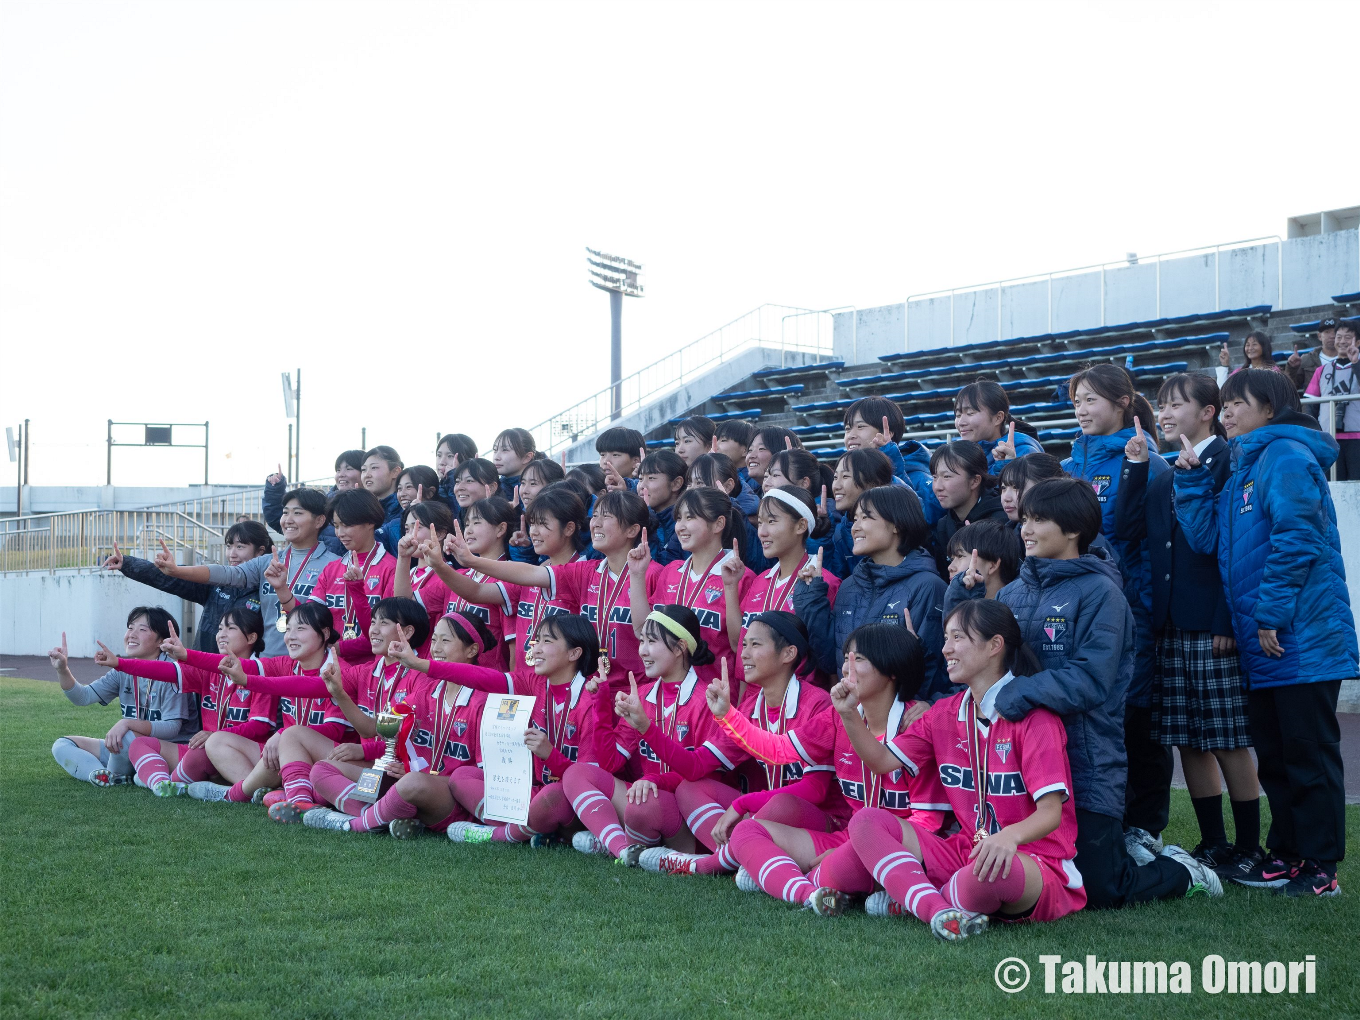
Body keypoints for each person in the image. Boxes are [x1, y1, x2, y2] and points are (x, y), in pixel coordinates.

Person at [947, 477, 1222, 907]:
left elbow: (1092, 680)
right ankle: (1121, 848)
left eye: (1040, 520)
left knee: (1100, 889)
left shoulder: (1103, 594)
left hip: (1087, 757)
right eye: (1026, 519)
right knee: (1026, 864)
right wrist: (958, 596)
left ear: (1074, 529)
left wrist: (1017, 695)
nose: (1026, 529)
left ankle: (1182, 870)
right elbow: (974, 654)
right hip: (1025, 759)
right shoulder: (1015, 592)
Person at [1174, 368, 1356, 897]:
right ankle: (1289, 855)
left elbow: (1298, 539)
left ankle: (1321, 869)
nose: (1226, 413)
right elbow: (1209, 540)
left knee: (1310, 755)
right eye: (1224, 404)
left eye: (1237, 404)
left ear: (1270, 410)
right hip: (1269, 644)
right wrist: (1188, 481)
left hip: (1302, 638)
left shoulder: (1286, 458)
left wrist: (1271, 614)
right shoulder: (1240, 469)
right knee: (1276, 756)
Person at [842, 600, 1085, 937]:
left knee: (988, 876)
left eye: (957, 637)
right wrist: (847, 713)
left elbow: (1051, 814)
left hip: (1030, 860)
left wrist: (1009, 838)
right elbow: (882, 761)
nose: (945, 649)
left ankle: (912, 895)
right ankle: (937, 908)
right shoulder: (943, 712)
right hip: (966, 849)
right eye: (945, 638)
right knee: (866, 821)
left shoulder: (1035, 718)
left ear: (994, 646)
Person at [1117, 373, 1261, 877]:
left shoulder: (1232, 462)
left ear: (1209, 411)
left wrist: (1227, 618)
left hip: (1213, 624)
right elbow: (1127, 529)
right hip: (1169, 624)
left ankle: (1248, 845)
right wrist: (1136, 467)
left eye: (1177, 404)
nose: (1166, 412)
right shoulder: (1158, 471)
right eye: (1161, 404)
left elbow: (1234, 548)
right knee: (1188, 739)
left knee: (1226, 736)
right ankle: (1213, 842)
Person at [707, 623, 940, 916]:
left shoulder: (920, 723)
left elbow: (928, 822)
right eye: (845, 658)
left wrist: (866, 848)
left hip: (899, 847)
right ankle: (811, 893)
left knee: (843, 862)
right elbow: (778, 750)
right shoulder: (837, 715)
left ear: (892, 670)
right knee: (747, 831)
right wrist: (727, 715)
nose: (846, 668)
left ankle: (783, 877)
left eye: (859, 659)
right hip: (848, 839)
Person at [639, 612, 839, 876]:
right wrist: (646, 729)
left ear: (788, 654)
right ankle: (746, 859)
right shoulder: (747, 707)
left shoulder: (818, 703)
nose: (743, 654)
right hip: (762, 816)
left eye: (755, 645)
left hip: (818, 821)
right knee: (691, 788)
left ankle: (706, 863)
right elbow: (697, 766)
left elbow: (815, 791)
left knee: (783, 803)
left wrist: (744, 804)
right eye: (744, 644)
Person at [560, 605, 747, 864]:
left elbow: (704, 776)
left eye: (651, 641)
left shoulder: (708, 699)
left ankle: (669, 851)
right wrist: (601, 702)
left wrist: (654, 780)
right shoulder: (643, 695)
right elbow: (610, 762)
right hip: (647, 797)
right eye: (641, 641)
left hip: (683, 808)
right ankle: (622, 847)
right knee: (576, 773)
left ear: (681, 647)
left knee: (643, 806)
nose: (642, 651)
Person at [1063, 364, 1163, 843]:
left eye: (1091, 400)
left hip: (1128, 602)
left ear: (1123, 402)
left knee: (1134, 713)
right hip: (1074, 602)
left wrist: (1139, 467)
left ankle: (1145, 826)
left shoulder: (1142, 457)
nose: (1081, 409)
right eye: (1076, 401)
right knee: (1093, 711)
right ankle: (1103, 817)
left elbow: (1133, 531)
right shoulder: (1071, 463)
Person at [220, 597, 431, 823]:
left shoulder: (422, 678)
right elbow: (307, 686)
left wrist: (363, 750)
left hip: (398, 771)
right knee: (311, 764)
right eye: (372, 622)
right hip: (369, 766)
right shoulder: (366, 671)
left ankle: (372, 816)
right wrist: (247, 680)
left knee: (314, 765)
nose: (373, 630)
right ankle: (302, 799)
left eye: (384, 623)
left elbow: (384, 735)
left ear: (407, 632)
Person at [399, 614, 605, 846]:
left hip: (570, 801)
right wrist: (420, 664)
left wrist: (551, 755)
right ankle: (538, 830)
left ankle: (501, 834)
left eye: (547, 641)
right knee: (462, 778)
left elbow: (588, 781)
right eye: (536, 640)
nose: (535, 648)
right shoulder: (532, 683)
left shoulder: (592, 699)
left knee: (553, 796)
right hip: (535, 795)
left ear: (574, 653)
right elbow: (479, 677)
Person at [299, 610, 498, 838]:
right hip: (406, 784)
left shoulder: (484, 700)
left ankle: (355, 824)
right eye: (434, 639)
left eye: (446, 640)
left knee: (412, 783)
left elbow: (481, 777)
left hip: (448, 798)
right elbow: (374, 728)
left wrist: (422, 775)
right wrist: (339, 693)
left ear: (471, 650)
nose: (436, 648)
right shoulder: (426, 692)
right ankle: (380, 815)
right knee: (323, 769)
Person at [437, 489, 654, 689]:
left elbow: (647, 634)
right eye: (594, 516)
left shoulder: (653, 574)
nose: (595, 523)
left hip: (631, 689)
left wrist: (471, 561)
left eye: (605, 517)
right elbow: (485, 589)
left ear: (632, 529)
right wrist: (453, 563)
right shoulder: (585, 572)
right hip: (581, 688)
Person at [174, 601, 349, 804]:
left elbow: (335, 730)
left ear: (325, 633)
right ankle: (264, 790)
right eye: (288, 629)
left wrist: (284, 734)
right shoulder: (284, 664)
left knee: (292, 747)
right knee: (216, 741)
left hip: (328, 757)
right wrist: (186, 655)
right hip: (285, 754)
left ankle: (237, 793)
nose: (290, 636)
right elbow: (236, 665)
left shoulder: (340, 671)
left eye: (300, 629)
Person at [793, 485, 948, 701]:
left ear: (896, 524)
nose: (855, 527)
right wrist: (810, 597)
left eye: (865, 517)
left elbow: (933, 673)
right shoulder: (849, 587)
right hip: (854, 715)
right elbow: (829, 660)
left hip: (903, 721)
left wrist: (923, 708)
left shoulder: (929, 586)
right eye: (854, 519)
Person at [101, 607, 277, 796]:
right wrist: (120, 664)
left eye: (230, 628)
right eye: (219, 628)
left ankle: (229, 789)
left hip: (238, 754)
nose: (221, 634)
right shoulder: (210, 670)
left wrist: (216, 735)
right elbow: (164, 671)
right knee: (140, 744)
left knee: (204, 750)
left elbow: (259, 727)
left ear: (251, 638)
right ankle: (161, 784)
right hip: (204, 750)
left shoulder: (262, 672)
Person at [427, 486, 585, 679]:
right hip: (525, 683)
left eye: (542, 524)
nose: (533, 532)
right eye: (531, 524)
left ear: (569, 528)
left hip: (565, 687)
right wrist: (439, 565)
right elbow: (476, 592)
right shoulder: (524, 575)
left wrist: (470, 559)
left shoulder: (585, 574)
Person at [163, 487, 339, 657]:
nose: (288, 519)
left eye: (297, 513)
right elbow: (229, 574)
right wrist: (178, 570)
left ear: (319, 521)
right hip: (266, 662)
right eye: (285, 512)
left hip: (309, 666)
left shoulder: (334, 565)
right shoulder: (267, 562)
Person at [49, 608, 200, 788]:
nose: (132, 635)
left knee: (127, 735)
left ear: (161, 640)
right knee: (62, 745)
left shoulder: (172, 672)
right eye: (130, 628)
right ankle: (100, 775)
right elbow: (83, 697)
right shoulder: (123, 670)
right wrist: (62, 669)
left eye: (142, 629)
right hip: (131, 744)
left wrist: (127, 723)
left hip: (168, 751)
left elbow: (172, 728)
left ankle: (114, 774)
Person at [628, 487, 753, 685]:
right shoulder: (671, 571)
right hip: (669, 691)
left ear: (718, 524)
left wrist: (730, 588)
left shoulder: (741, 577)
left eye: (690, 517)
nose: (680, 527)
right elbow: (642, 630)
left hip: (716, 694)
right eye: (678, 518)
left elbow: (740, 647)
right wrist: (636, 574)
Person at [723, 486, 840, 683]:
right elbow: (737, 645)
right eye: (760, 523)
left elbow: (830, 666)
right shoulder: (761, 580)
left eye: (772, 521)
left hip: (800, 706)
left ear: (801, 526)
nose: (762, 532)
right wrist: (730, 587)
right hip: (755, 704)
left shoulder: (824, 583)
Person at [103, 521, 271, 653]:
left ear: (260, 552)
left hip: (245, 675)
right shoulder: (217, 582)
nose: (232, 554)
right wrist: (128, 563)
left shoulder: (271, 590)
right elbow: (169, 578)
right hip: (203, 669)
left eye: (240, 547)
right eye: (229, 546)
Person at [307, 488, 398, 650]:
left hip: (371, 668)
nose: (340, 533)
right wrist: (281, 589)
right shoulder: (332, 568)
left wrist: (338, 649)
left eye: (346, 525)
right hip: (332, 665)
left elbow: (387, 633)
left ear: (370, 522)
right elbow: (309, 617)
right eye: (336, 525)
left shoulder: (391, 569)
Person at [929, 440, 1008, 575]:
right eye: (935, 477)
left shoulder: (1001, 521)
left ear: (975, 481)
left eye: (946, 477)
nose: (937, 487)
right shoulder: (943, 526)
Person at [688, 451, 769, 571]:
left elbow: (758, 563)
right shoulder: (685, 519)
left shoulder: (747, 520)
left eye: (699, 483)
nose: (692, 490)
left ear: (728, 486)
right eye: (690, 483)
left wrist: (727, 507)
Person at [392, 500, 459, 639]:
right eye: (407, 529)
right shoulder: (407, 572)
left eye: (418, 527)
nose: (410, 536)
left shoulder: (448, 577)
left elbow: (403, 611)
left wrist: (403, 557)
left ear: (440, 533)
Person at [825, 448, 894, 578]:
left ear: (874, 483)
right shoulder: (840, 531)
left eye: (845, 476)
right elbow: (834, 583)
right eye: (835, 477)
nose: (836, 486)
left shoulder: (896, 520)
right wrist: (821, 537)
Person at [1304, 320, 1360, 479]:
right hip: (1329, 440)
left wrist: (1356, 363)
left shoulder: (1359, 365)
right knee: (1332, 487)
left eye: (1348, 337)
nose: (1342, 341)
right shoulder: (1321, 371)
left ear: (1358, 342)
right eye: (1339, 337)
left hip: (1357, 438)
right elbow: (1310, 406)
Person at [953, 379, 1043, 472]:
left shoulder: (1024, 452)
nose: (960, 422)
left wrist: (1004, 465)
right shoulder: (958, 455)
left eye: (970, 413)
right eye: (958, 415)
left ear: (998, 418)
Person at [944, 520, 1022, 599]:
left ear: (992, 565)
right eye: (952, 559)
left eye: (960, 556)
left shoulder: (1017, 608)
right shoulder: (960, 601)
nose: (950, 567)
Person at [636, 450, 687, 565]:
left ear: (676, 483)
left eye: (651, 478)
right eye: (640, 479)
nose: (642, 486)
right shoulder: (636, 520)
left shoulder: (688, 523)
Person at [361, 445, 405, 553]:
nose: (367, 475)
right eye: (363, 470)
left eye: (374, 468)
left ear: (395, 471)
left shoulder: (406, 508)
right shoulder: (365, 508)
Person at [1285, 316, 1340, 392]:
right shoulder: (1307, 359)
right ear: (1319, 336)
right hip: (1316, 402)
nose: (1332, 336)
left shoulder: (1351, 358)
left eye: (1335, 332)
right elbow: (1290, 388)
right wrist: (1291, 368)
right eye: (1327, 332)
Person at [491, 428, 537, 502]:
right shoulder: (494, 486)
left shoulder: (542, 489)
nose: (496, 457)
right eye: (495, 450)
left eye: (505, 450)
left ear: (527, 457)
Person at [435, 433, 479, 511]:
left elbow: (460, 514)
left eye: (450, 456)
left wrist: (453, 477)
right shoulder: (435, 488)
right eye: (439, 455)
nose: (442, 462)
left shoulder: (477, 488)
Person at [596, 426, 647, 491]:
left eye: (615, 455)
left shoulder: (646, 492)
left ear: (636, 461)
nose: (606, 461)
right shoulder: (594, 487)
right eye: (602, 455)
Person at [1218, 330, 1282, 379]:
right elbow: (1223, 388)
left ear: (1264, 347)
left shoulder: (1273, 371)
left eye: (1254, 344)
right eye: (1247, 345)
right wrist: (1225, 365)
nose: (1250, 348)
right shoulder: (1240, 372)